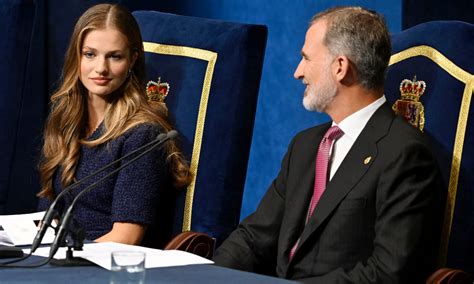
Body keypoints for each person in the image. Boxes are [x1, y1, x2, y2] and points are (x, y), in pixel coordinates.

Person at [213, 6, 442, 283]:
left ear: (340, 67)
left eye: (306, 58)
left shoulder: (405, 153)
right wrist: (206, 276)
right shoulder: (305, 146)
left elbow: (388, 273)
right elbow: (253, 238)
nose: (298, 72)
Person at [37, 3, 191, 249]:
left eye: (114, 56)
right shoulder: (65, 118)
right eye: (90, 54)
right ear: (76, 56)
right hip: (56, 256)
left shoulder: (143, 135)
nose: (101, 68)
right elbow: (48, 212)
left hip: (104, 265)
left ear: (132, 59)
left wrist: (60, 259)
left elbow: (126, 238)